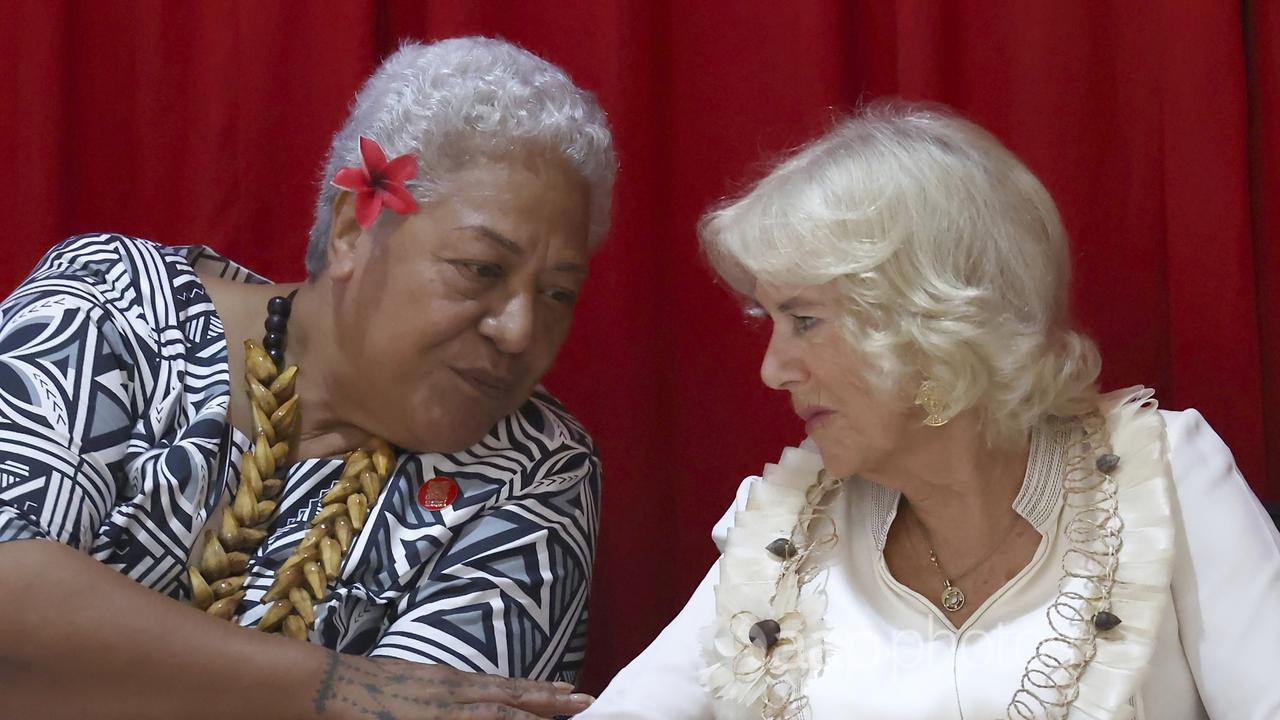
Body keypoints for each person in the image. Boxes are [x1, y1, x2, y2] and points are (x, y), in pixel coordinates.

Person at [580, 103, 1280, 719]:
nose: (772, 370)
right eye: (769, 319)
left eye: (804, 321)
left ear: (931, 325)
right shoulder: (785, 530)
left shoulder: (1161, 474)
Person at [0, 36, 613, 719]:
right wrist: (334, 688)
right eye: (482, 269)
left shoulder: (533, 467)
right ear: (355, 228)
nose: (521, 330)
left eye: (558, 293)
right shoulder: (115, 307)